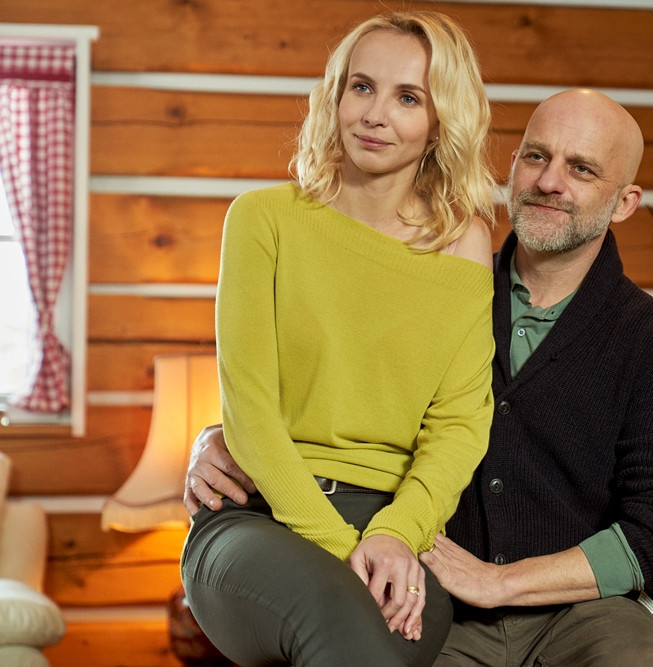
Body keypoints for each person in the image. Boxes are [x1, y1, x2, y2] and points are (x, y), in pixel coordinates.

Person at [186, 89, 653, 666]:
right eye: (536, 157)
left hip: (591, 616)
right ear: (512, 166)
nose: (549, 181)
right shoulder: (437, 288)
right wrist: (221, 436)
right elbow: (336, 396)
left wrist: (504, 582)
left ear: (624, 202)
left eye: (582, 169)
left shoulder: (650, 338)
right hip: (436, 603)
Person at [180, 11, 497, 667]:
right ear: (336, 95)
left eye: (408, 98)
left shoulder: (465, 245)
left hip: (398, 535)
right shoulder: (263, 220)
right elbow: (250, 409)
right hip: (256, 518)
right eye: (362, 87)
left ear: (441, 120)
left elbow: (459, 425)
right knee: (336, 614)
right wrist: (345, 549)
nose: (375, 115)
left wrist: (396, 535)